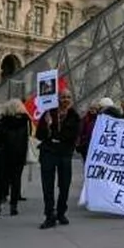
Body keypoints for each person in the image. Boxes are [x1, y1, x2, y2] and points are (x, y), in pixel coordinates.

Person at [35, 90, 81, 229]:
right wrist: (47, 126)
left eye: (68, 97)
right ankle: (49, 214)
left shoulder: (74, 116)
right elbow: (39, 135)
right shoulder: (48, 113)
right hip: (48, 152)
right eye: (63, 97)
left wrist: (57, 137)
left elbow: (73, 136)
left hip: (65, 153)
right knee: (47, 185)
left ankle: (61, 212)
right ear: (58, 99)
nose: (66, 99)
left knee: (64, 184)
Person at [0, 100, 30, 217]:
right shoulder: (25, 121)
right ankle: (13, 207)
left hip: (4, 154)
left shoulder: (4, 121)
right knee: (16, 181)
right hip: (19, 155)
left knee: (0, 181)